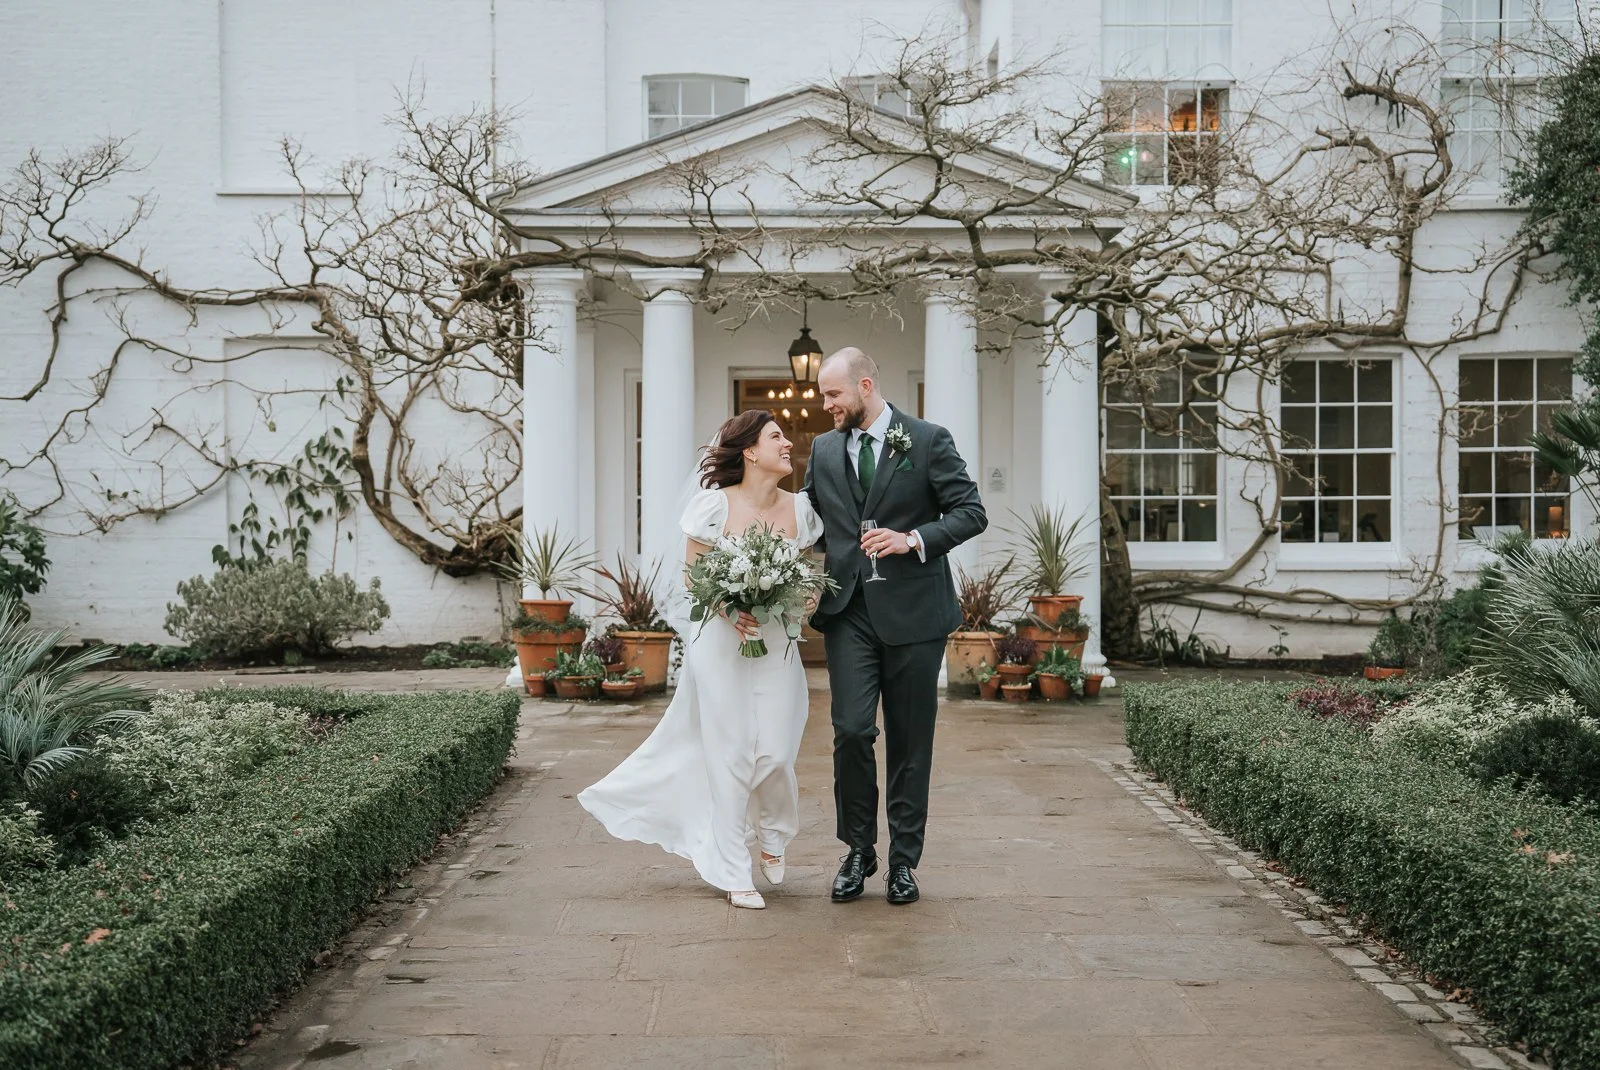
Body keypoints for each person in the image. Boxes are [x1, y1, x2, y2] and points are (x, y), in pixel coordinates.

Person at [577, 410, 823, 909]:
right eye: (776, 438)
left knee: (776, 751)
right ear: (750, 452)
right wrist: (731, 611)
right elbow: (693, 577)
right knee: (730, 756)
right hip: (720, 644)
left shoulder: (801, 510)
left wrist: (803, 599)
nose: (787, 446)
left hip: (776, 643)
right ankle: (735, 871)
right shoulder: (712, 506)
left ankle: (774, 833)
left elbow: (806, 578)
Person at [802, 347, 987, 905]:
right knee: (852, 731)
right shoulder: (823, 449)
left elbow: (970, 511)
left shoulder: (928, 439)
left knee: (911, 741)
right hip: (848, 613)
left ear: (864, 385)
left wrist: (914, 540)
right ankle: (858, 850)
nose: (827, 406)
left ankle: (904, 861)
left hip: (915, 614)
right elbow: (807, 521)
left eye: (833, 395)